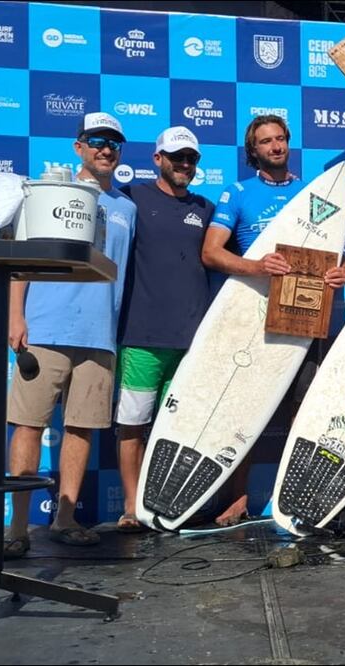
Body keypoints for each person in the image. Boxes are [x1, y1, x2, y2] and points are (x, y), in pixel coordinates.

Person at [201, 114, 345, 526]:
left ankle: (304, 498)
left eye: (280, 139)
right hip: (253, 318)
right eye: (266, 142)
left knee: (307, 413)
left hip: (304, 319)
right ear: (254, 151)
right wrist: (257, 266)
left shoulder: (311, 192)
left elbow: (340, 254)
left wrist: (343, 272)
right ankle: (239, 497)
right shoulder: (238, 193)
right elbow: (211, 253)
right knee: (246, 409)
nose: (275, 147)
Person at [4, 112, 137, 557]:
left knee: (81, 429)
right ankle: (17, 529)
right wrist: (15, 316)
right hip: (43, 328)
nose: (106, 149)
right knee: (28, 426)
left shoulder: (127, 207)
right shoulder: (46, 194)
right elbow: (21, 258)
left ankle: (64, 518)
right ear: (78, 146)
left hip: (99, 336)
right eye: (97, 140)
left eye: (114, 143)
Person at [113, 126, 214, 533]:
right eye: (176, 158)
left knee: (178, 431)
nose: (184, 165)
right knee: (132, 426)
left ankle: (171, 505)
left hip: (192, 342)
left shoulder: (206, 208)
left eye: (190, 158)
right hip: (142, 337)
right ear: (158, 159)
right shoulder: (131, 199)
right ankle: (131, 507)